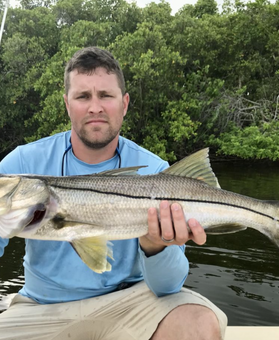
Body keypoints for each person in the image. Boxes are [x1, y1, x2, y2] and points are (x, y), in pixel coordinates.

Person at [0, 47, 227, 340]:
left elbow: (167, 286)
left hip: (130, 304)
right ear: (67, 104)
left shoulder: (157, 172)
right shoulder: (21, 165)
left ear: (124, 103)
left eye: (105, 95)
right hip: (40, 308)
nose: (95, 107)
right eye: (83, 97)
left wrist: (155, 246)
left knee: (196, 323)